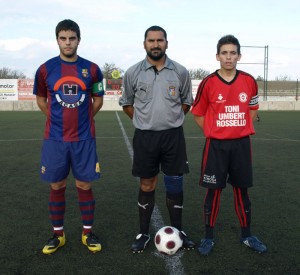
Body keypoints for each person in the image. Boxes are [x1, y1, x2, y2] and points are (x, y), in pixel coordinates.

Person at [119, 25, 195, 253]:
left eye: (160, 40)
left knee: (175, 182)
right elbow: (127, 104)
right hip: (145, 137)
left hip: (173, 137)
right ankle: (143, 233)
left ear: (166, 43)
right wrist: (145, 121)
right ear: (144, 44)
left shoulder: (180, 71)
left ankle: (178, 231)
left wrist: (170, 119)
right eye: (151, 40)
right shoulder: (133, 72)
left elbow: (186, 103)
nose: (155, 44)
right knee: (147, 183)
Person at [33, 19, 104, 255]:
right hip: (55, 139)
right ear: (57, 40)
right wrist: (56, 120)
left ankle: (87, 233)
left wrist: (84, 120)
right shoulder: (45, 69)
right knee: (57, 184)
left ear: (79, 40)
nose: (67, 42)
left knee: (84, 184)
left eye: (72, 38)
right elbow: (42, 100)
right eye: (63, 38)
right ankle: (58, 235)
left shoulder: (92, 69)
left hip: (84, 139)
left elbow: (98, 100)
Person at [191, 35, 267, 256]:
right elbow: (197, 114)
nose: (229, 57)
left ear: (239, 56)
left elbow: (253, 108)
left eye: (233, 53)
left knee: (241, 191)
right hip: (216, 147)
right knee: (213, 192)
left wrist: (240, 127)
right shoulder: (208, 82)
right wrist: (214, 131)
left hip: (241, 146)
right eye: (224, 53)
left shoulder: (249, 81)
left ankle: (247, 235)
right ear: (217, 56)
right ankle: (208, 237)